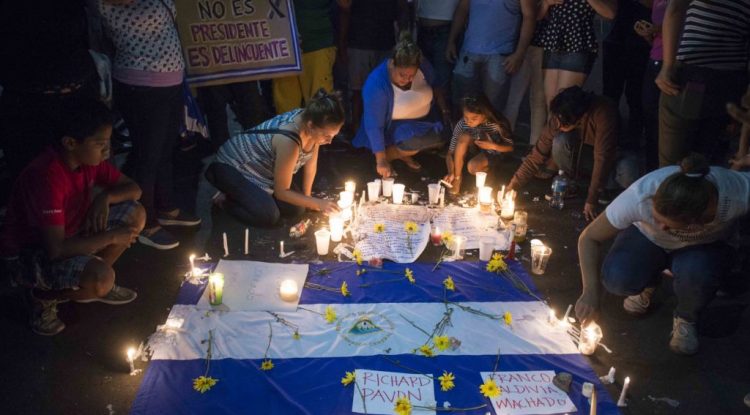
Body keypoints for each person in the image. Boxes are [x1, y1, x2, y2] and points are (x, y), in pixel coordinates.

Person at [575, 154, 750, 355]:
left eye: (667, 224)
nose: (660, 225)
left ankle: (686, 317)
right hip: (648, 240)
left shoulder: (736, 194)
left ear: (696, 219)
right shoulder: (640, 196)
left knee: (698, 273)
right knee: (618, 277)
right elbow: (589, 238)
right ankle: (649, 281)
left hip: (701, 247)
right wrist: (590, 292)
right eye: (656, 217)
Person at [0, 99, 145, 336]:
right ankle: (43, 297)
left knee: (135, 212)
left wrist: (105, 198)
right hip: (31, 253)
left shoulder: (88, 160)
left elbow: (134, 189)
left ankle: (85, 279)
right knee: (102, 280)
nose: (107, 150)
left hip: (71, 232)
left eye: (108, 142)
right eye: (100, 144)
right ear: (70, 143)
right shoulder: (47, 177)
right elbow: (54, 250)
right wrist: (110, 237)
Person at [99, 0, 201, 250]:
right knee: (149, 154)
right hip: (141, 83)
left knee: (165, 149)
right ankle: (146, 220)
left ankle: (166, 207)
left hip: (170, 79)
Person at [206, 90, 344, 226]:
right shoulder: (289, 140)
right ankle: (225, 200)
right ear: (310, 126)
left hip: (264, 170)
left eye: (333, 136)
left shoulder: (313, 120)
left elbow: (311, 166)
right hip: (233, 166)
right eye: (327, 136)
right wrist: (318, 203)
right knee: (268, 216)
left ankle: (252, 195)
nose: (330, 141)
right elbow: (281, 192)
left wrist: (309, 200)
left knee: (297, 209)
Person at [508, 86, 638, 221]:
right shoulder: (560, 116)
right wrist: (513, 186)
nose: (558, 125)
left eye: (563, 123)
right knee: (559, 140)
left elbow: (603, 158)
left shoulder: (603, 112)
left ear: (578, 117)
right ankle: (573, 182)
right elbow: (536, 155)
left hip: (611, 161)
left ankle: (609, 192)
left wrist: (591, 200)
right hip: (585, 159)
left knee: (628, 170)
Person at [655, 0, 750, 166]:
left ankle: (671, 189)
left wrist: (668, 66)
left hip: (693, 77)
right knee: (707, 162)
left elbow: (676, 8)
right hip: (731, 81)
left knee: (673, 165)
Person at [352, 33, 451, 177]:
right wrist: (381, 160)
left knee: (443, 136)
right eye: (402, 75)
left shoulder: (423, 65)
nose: (407, 79)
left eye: (411, 75)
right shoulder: (376, 84)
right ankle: (389, 156)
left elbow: (435, 85)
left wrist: (445, 110)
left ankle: (403, 153)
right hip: (392, 128)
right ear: (392, 63)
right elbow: (374, 125)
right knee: (413, 142)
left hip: (424, 122)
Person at [445, 0, 537, 113]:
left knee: (492, 110)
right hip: (469, 51)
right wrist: (451, 40)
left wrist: (519, 53)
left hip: (500, 55)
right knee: (463, 106)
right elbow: (462, 9)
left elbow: (529, 17)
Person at [339, 0, 408, 134]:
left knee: (381, 91)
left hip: (384, 43)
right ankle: (357, 129)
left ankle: (376, 131)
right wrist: (342, 44)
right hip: (359, 42)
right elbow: (345, 10)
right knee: (357, 91)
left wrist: (403, 39)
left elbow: (402, 9)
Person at [535, 0, 617, 108]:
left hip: (578, 44)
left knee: (564, 105)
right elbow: (535, 16)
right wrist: (546, 3)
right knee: (551, 105)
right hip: (553, 43)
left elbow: (610, 14)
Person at [272, 0, 349, 114]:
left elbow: (345, 4)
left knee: (320, 108)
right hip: (283, 45)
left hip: (314, 43)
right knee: (287, 109)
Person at [443, 95, 514, 194]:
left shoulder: (495, 125)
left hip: (496, 151)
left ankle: (488, 176)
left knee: (472, 167)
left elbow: (510, 148)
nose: (469, 121)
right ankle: (457, 178)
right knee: (464, 136)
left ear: (484, 114)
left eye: (474, 118)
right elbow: (450, 153)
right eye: (466, 117)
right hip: (477, 148)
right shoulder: (462, 124)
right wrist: (452, 172)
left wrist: (492, 146)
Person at [634, 0, 668, 171]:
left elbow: (682, 29)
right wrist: (648, 35)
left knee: (666, 122)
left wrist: (656, 29)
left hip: (672, 63)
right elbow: (657, 41)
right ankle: (652, 171)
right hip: (654, 60)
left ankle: (666, 172)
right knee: (650, 119)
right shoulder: (656, 3)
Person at [416, 0, 461, 118]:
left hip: (445, 29)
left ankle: (445, 121)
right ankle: (431, 119)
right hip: (422, 27)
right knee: (423, 78)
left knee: (442, 79)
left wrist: (452, 40)